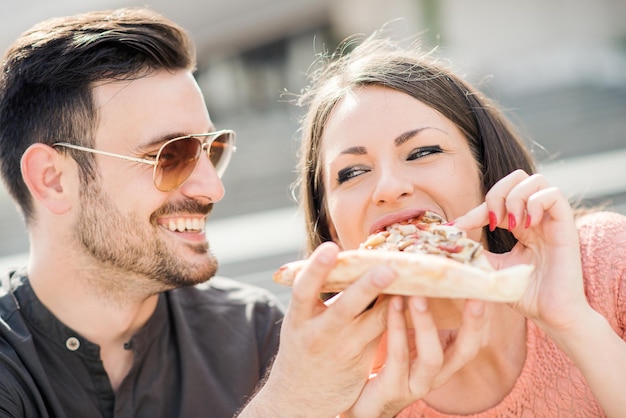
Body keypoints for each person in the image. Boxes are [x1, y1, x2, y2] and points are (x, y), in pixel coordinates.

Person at [279, 31, 626, 417]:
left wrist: (573, 321)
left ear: (486, 171)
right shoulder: (336, 384)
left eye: (423, 151)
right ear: (329, 224)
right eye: (353, 172)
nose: (390, 188)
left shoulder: (605, 262)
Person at [0, 8, 290, 417]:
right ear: (53, 179)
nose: (212, 188)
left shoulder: (253, 333)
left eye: (213, 149)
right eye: (170, 155)